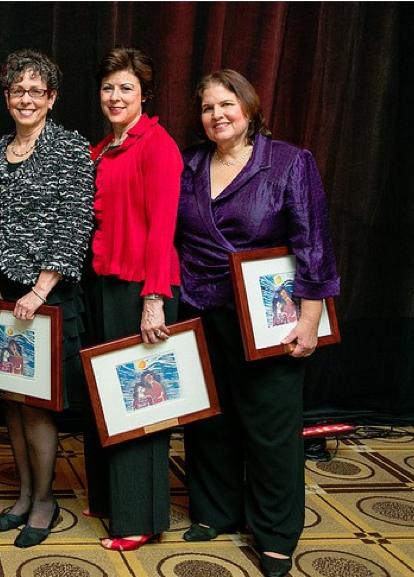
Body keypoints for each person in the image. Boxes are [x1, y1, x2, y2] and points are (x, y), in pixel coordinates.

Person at [175, 69, 339, 577]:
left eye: (227, 104)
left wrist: (310, 320)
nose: (217, 115)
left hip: (269, 319)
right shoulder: (190, 164)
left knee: (270, 427)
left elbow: (314, 245)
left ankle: (275, 534)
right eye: (207, 108)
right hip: (200, 307)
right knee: (211, 420)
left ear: (249, 108)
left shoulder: (289, 162)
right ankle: (217, 511)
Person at [0, 49, 93, 548]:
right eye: (17, 90)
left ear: (51, 98)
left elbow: (75, 224)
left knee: (39, 406)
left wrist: (40, 290)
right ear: (7, 98)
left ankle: (44, 502)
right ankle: (23, 495)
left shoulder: (70, 148)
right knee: (10, 398)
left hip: (46, 295)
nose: (26, 98)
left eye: (36, 91)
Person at [80, 46, 183, 551]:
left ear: (144, 93)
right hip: (105, 286)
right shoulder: (104, 147)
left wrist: (155, 299)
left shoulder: (156, 144)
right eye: (108, 87)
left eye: (126, 88)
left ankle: (140, 516)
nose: (115, 96)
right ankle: (109, 499)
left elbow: (164, 228)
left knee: (140, 403)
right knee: (106, 399)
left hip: (144, 287)